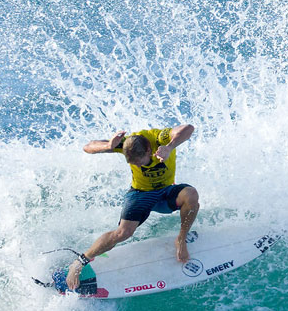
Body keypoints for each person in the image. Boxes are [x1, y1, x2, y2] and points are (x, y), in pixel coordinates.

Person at [66, 124, 200, 290]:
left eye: (139, 162)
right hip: (141, 193)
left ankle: (181, 238)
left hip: (167, 192)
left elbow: (188, 128)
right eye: (133, 164)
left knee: (191, 195)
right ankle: (79, 262)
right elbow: (88, 147)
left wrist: (169, 147)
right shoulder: (126, 144)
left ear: (148, 150)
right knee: (123, 233)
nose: (137, 166)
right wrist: (109, 146)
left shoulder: (159, 138)